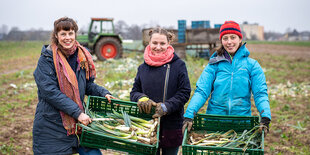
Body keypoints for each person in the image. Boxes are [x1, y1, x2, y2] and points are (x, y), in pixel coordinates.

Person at [32, 17, 116, 155]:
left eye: (70, 33)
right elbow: (50, 92)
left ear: (75, 34)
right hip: (52, 124)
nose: (67, 38)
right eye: (63, 34)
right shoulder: (46, 60)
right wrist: (77, 113)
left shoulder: (81, 56)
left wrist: (103, 93)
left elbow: (87, 84)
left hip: (78, 124)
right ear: (56, 36)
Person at [182, 21, 271, 136]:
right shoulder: (214, 64)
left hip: (241, 125)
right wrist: (189, 115)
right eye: (225, 38)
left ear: (240, 39)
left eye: (233, 37)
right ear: (221, 41)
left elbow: (260, 93)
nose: (229, 42)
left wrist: (265, 116)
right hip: (214, 123)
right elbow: (202, 91)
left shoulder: (252, 65)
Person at [130, 27, 191, 155]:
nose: (158, 47)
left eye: (162, 43)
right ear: (149, 43)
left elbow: (184, 92)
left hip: (171, 125)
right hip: (147, 127)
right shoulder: (143, 68)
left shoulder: (178, 65)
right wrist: (141, 98)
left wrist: (167, 106)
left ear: (168, 44)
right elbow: (134, 92)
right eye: (155, 43)